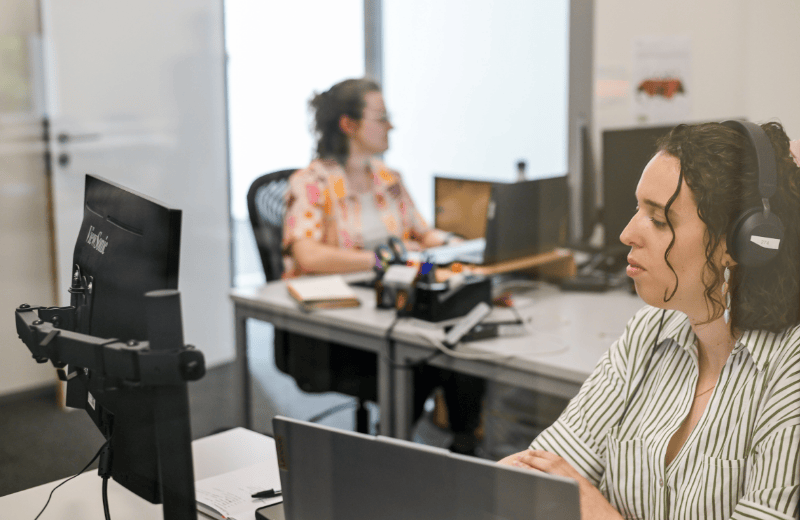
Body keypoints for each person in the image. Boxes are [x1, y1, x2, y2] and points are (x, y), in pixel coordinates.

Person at [499, 121, 800, 519]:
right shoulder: (649, 330)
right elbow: (541, 474)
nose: (627, 234)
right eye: (636, 209)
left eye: (659, 220)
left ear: (740, 244)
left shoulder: (789, 367)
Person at [282, 77, 485, 454]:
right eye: (382, 118)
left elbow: (422, 233)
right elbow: (307, 255)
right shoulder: (311, 182)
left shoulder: (388, 178)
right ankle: (390, 451)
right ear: (349, 125)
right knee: (425, 354)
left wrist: (457, 244)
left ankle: (464, 447)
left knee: (463, 337)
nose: (391, 126)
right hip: (337, 328)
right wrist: (382, 260)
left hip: (389, 306)